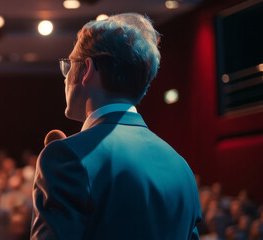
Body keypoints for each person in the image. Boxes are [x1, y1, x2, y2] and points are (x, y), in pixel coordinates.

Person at [31, 13, 202, 239]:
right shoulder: (182, 168)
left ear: (87, 69)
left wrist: (63, 163)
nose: (65, 77)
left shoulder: (67, 158)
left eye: (69, 65)